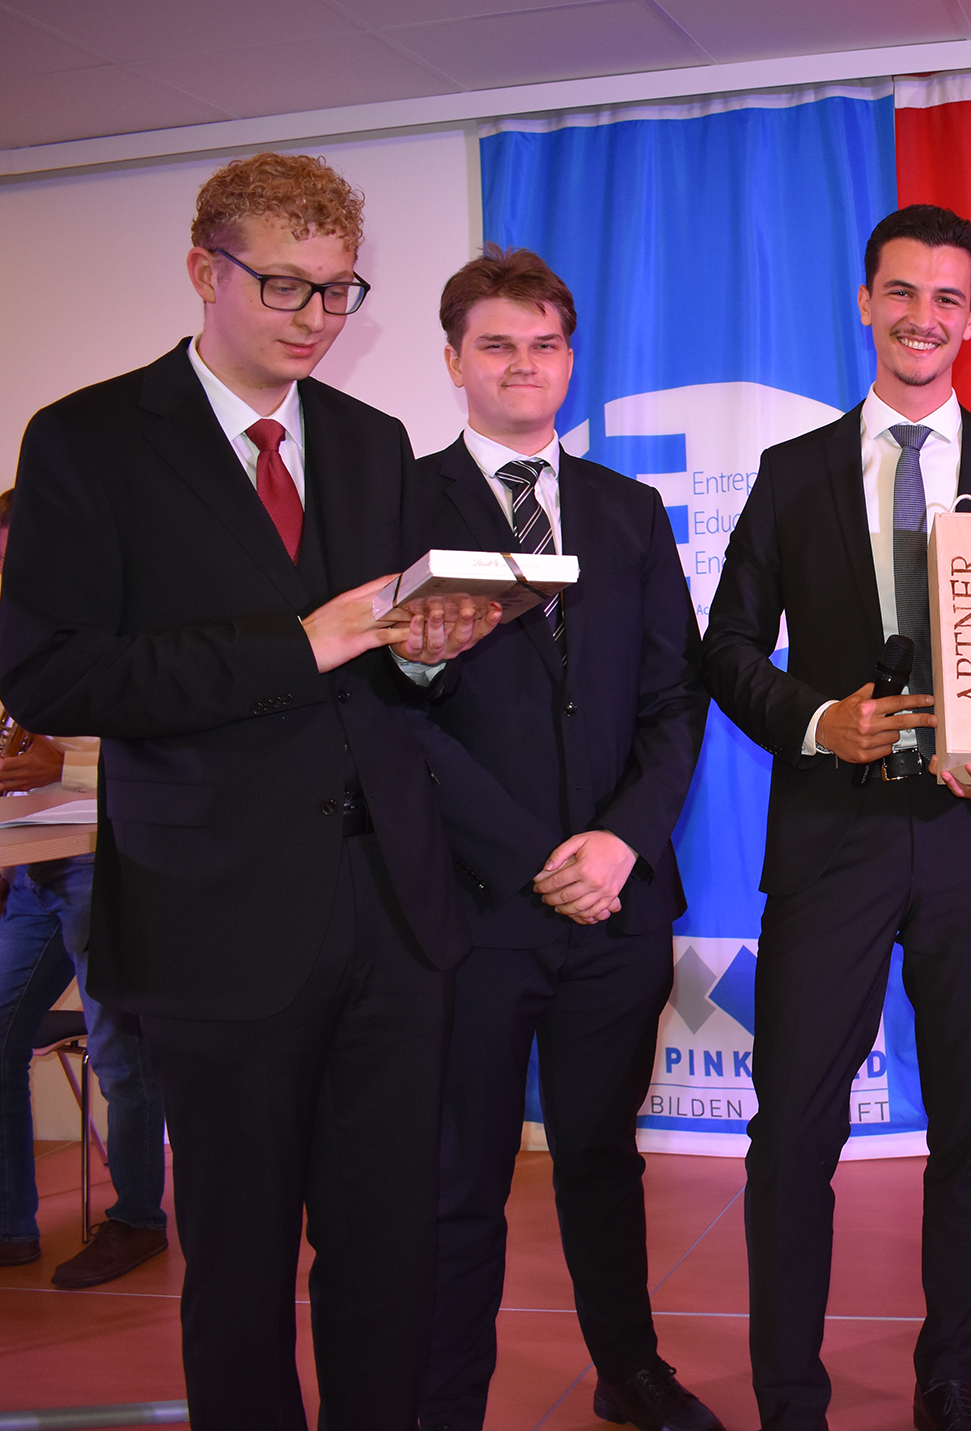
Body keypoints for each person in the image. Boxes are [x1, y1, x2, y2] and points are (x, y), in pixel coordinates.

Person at [0, 151, 499, 1430]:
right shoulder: (88, 440)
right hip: (214, 917)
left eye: (337, 292)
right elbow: (53, 674)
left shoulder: (372, 442)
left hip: (391, 913)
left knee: (388, 1257)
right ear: (202, 270)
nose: (315, 318)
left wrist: (427, 652)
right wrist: (297, 645)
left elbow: (383, 669)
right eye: (284, 286)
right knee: (236, 1267)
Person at [701, 203, 971, 1431]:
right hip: (835, 836)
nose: (923, 317)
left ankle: (947, 1381)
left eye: (947, 297)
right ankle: (787, 1398)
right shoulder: (791, 472)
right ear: (865, 302)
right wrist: (819, 720)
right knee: (791, 1135)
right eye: (902, 292)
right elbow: (725, 648)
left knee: (970, 1129)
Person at [404, 248, 715, 1431]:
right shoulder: (399, 506)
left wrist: (620, 842)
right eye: (495, 345)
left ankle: (629, 1371)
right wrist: (536, 854)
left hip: (614, 904)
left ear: (570, 360)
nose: (521, 366)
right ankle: (444, 1400)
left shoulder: (626, 511)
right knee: (460, 1178)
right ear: (453, 362)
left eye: (542, 345)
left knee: (599, 1155)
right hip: (472, 909)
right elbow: (392, 715)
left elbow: (672, 697)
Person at [0, 491, 168, 1289]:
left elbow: (166, 745)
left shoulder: (118, 622)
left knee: (120, 1054)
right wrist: (1, 855)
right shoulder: (25, 641)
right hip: (35, 873)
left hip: (103, 862)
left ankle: (138, 1218)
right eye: (11, 555)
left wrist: (65, 767)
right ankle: (4, 1228)